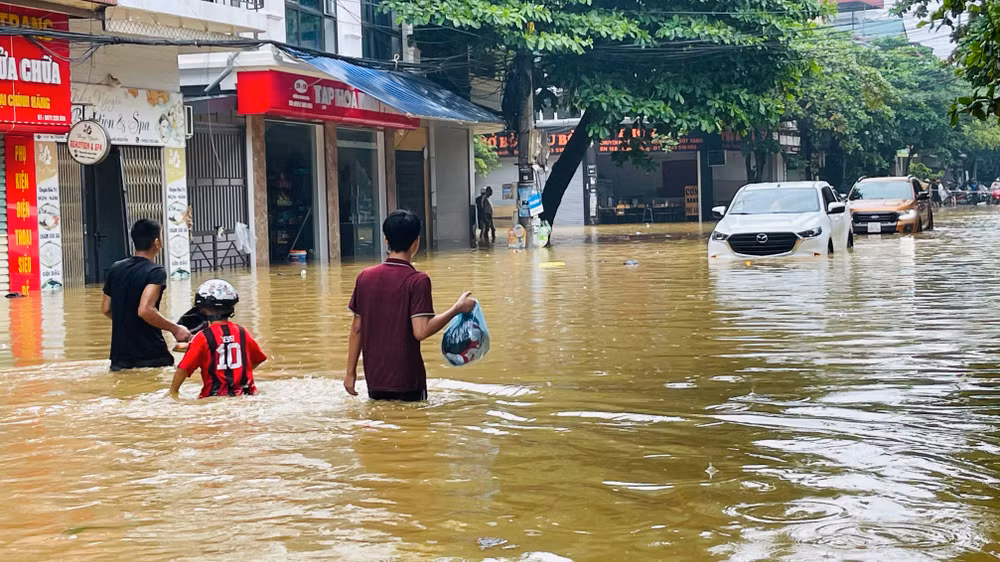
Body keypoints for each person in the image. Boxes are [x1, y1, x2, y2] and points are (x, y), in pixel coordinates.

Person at [344, 210, 476, 401]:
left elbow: (357, 328)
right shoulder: (418, 280)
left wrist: (350, 373)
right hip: (407, 380)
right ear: (416, 243)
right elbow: (421, 331)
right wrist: (456, 309)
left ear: (386, 240)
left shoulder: (365, 277)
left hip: (375, 379)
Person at [102, 219, 191, 371]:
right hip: (151, 355)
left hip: (119, 357)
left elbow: (106, 309)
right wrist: (175, 329)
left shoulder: (116, 268)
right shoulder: (155, 272)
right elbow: (145, 310)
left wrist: (128, 322)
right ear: (157, 242)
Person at [169, 279, 266, 398]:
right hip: (248, 396)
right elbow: (258, 359)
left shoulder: (202, 337)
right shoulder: (243, 332)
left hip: (214, 397)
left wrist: (172, 392)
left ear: (202, 309)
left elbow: (183, 369)